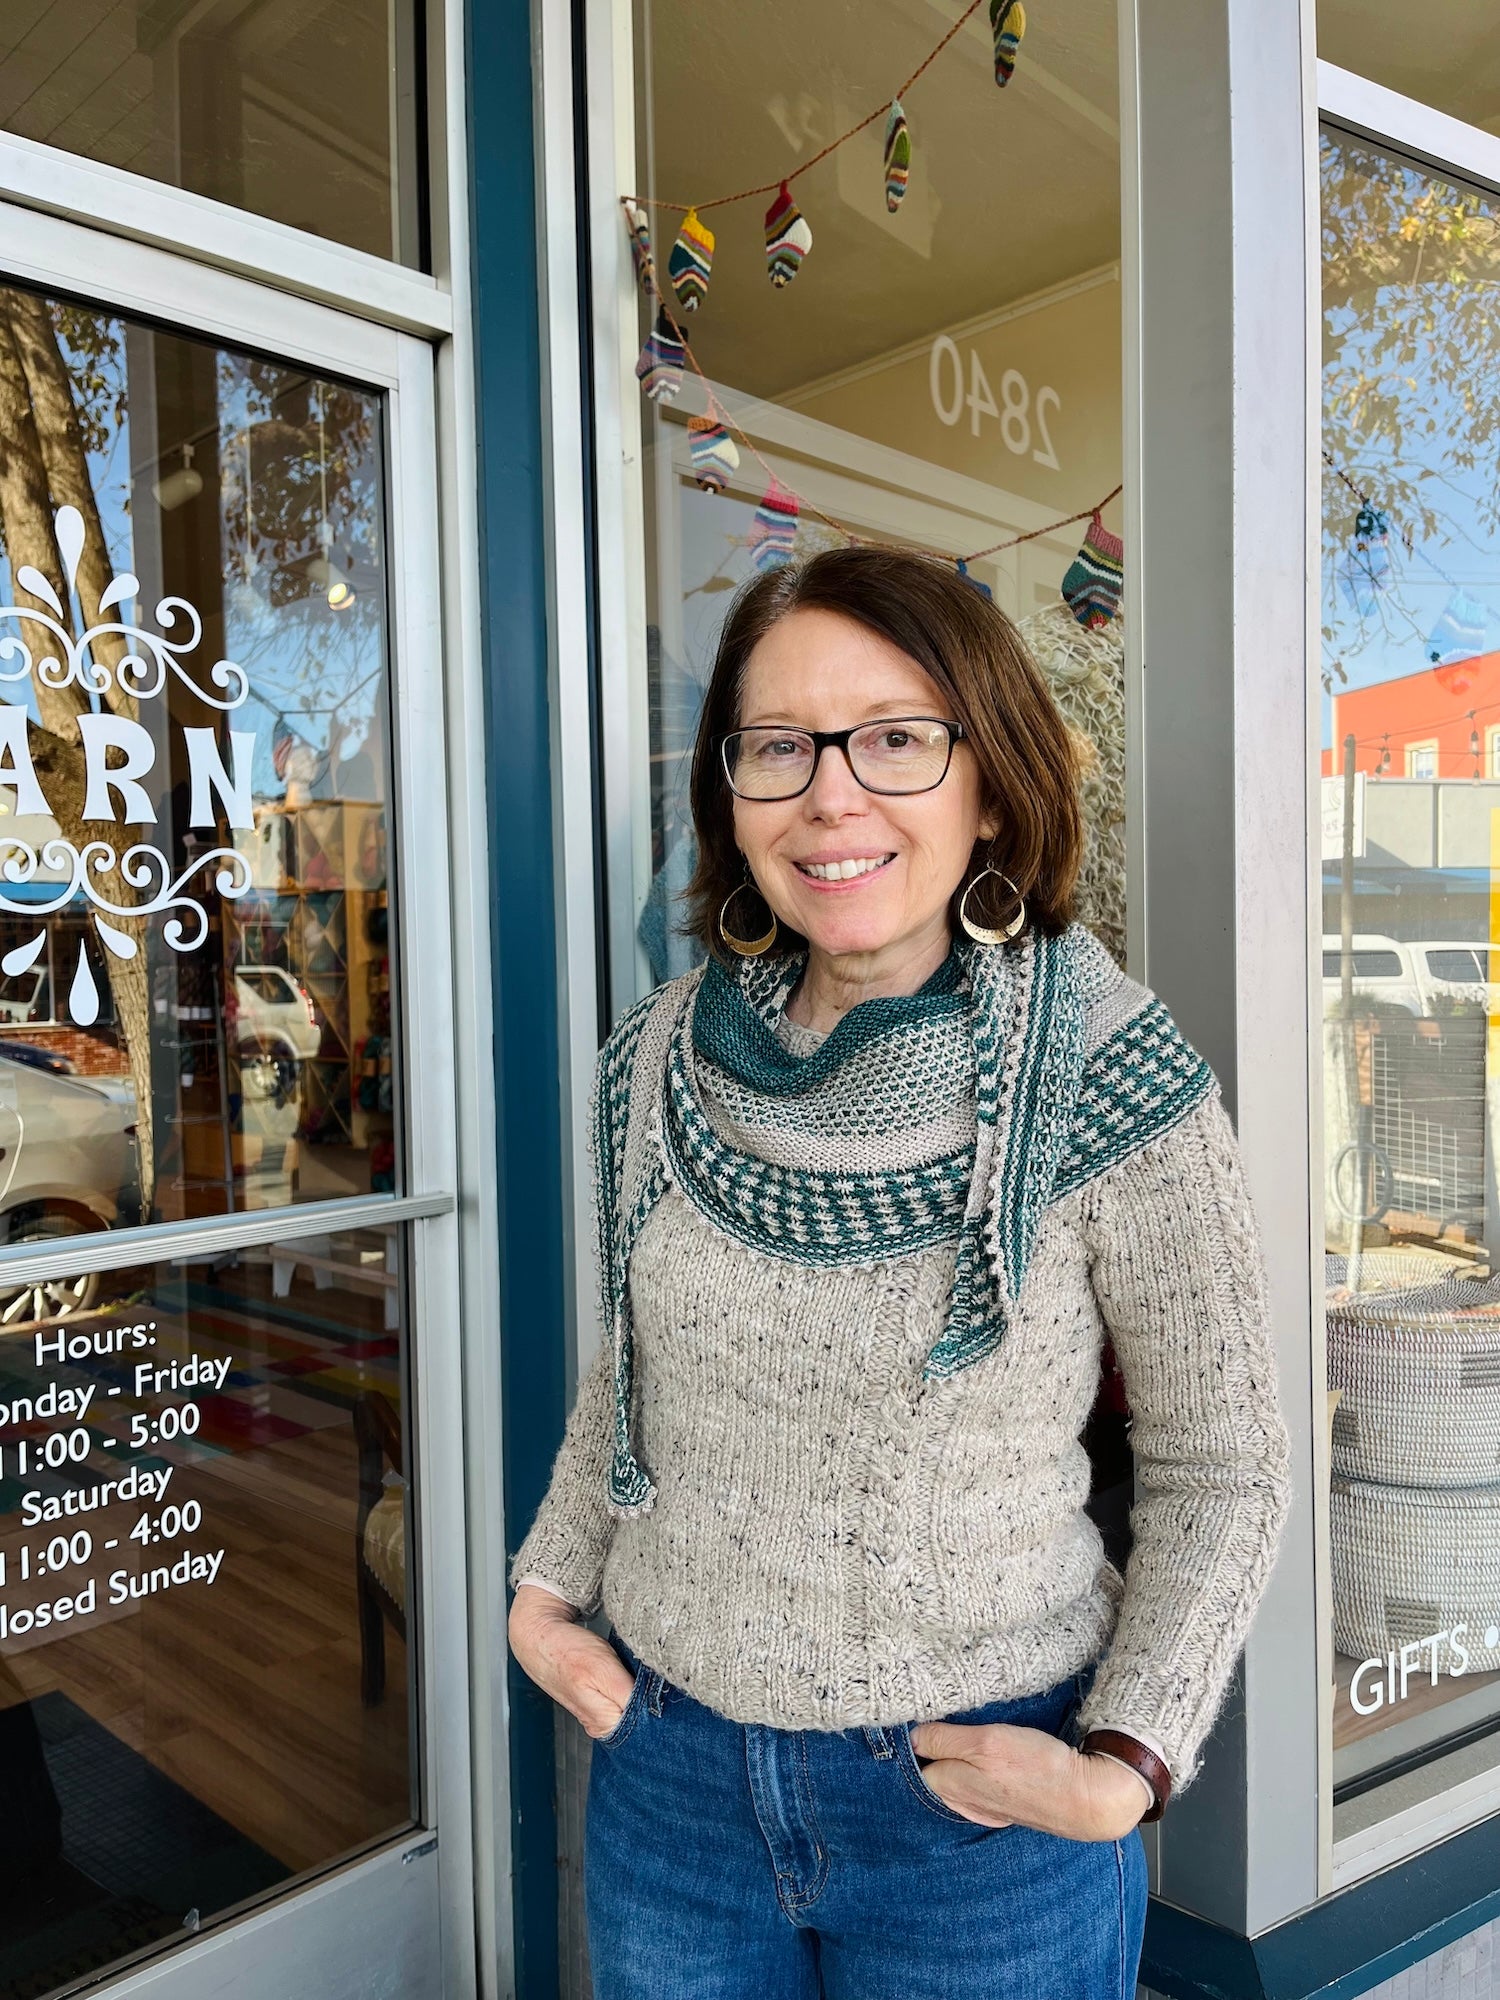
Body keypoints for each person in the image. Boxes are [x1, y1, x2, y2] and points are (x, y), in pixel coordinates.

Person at [508, 546, 1292, 2000]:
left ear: (988, 785)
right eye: (778, 746)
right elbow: (632, 1373)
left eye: (896, 738)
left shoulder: (1110, 1073)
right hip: (672, 1786)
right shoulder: (658, 1057)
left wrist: (1126, 1762)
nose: (831, 795)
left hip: (980, 1822)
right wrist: (546, 1594)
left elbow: (1223, 1460)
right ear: (730, 797)